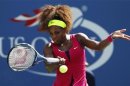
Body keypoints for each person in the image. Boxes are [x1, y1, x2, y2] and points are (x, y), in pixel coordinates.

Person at [38, 5, 130, 86]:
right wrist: (57, 62)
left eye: (57, 32)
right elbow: (49, 67)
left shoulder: (79, 38)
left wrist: (111, 37)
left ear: (65, 30)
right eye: (51, 33)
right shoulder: (49, 47)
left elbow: (98, 46)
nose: (53, 36)